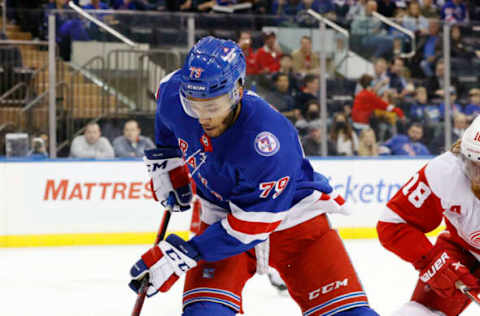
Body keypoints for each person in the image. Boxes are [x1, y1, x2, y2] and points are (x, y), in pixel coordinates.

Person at [128, 36, 379, 316]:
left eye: (212, 106)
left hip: (294, 222)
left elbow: (253, 225)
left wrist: (183, 254)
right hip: (219, 219)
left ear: (238, 89)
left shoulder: (268, 140)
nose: (203, 118)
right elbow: (167, 114)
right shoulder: (175, 93)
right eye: (194, 106)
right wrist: (168, 158)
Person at [377, 116, 480, 316]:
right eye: (472, 164)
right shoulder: (446, 171)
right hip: (462, 250)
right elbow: (392, 224)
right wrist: (437, 265)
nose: (476, 177)